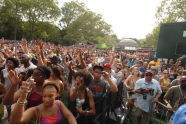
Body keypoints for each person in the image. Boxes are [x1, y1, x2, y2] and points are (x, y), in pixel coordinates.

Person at [10, 83, 76, 124]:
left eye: (50, 96)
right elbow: (17, 121)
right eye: (44, 96)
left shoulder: (58, 104)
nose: (46, 99)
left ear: (57, 95)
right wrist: (22, 98)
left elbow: (69, 116)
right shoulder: (36, 110)